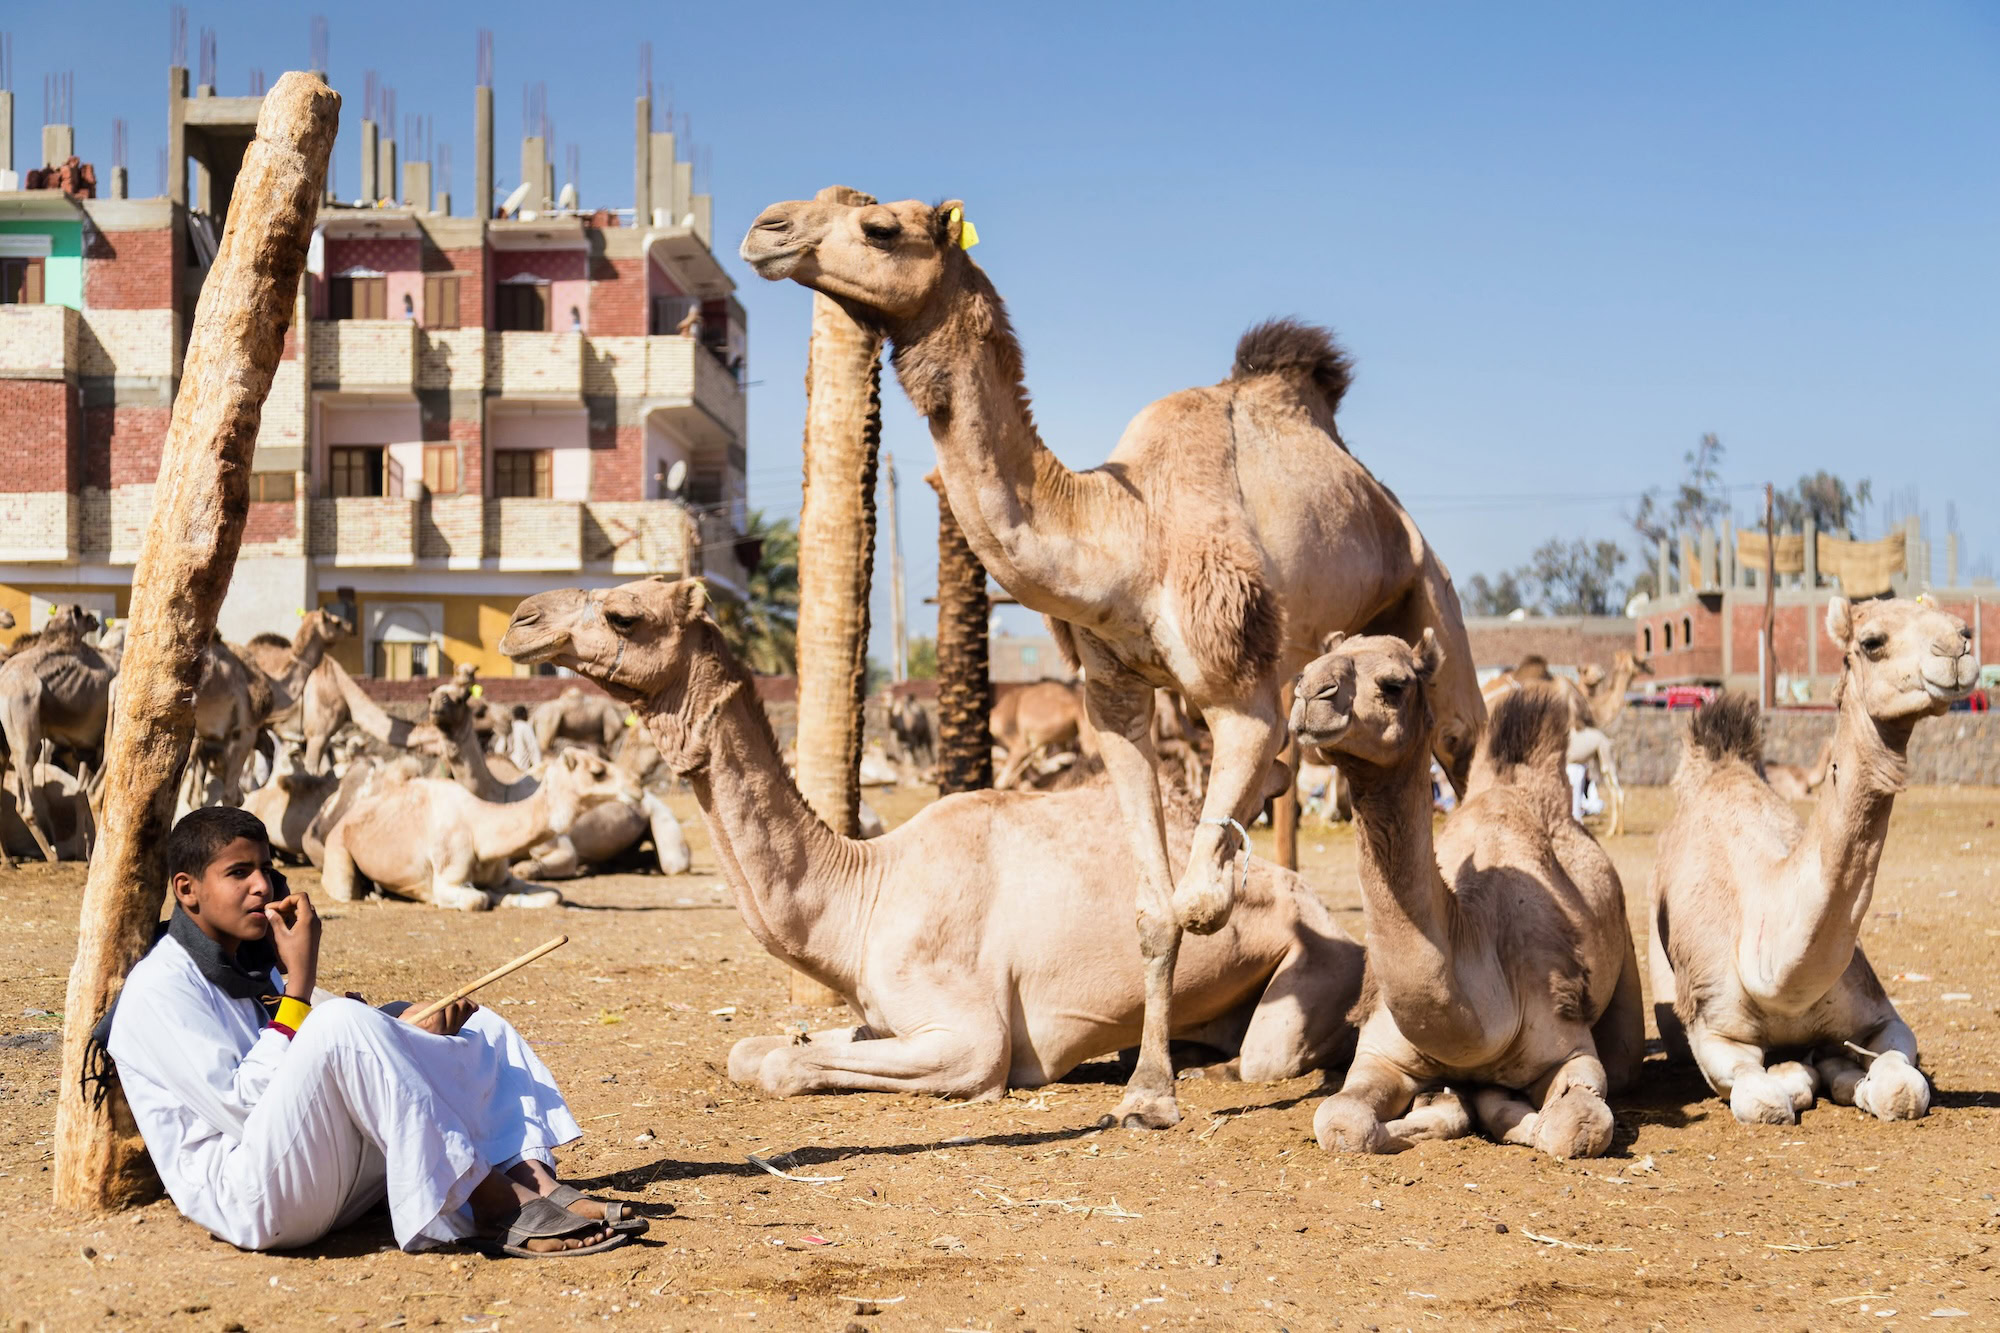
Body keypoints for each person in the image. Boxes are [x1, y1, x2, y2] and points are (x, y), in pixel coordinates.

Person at [100, 808, 640, 1257]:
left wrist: (404, 1028)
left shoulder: (246, 963)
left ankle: (534, 1181)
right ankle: (496, 1205)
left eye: (266, 867)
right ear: (187, 890)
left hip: (323, 1175)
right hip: (257, 1196)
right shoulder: (158, 991)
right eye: (238, 873)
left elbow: (321, 1047)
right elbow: (243, 1108)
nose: (262, 885)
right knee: (340, 1022)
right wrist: (301, 983)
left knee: (469, 1025)